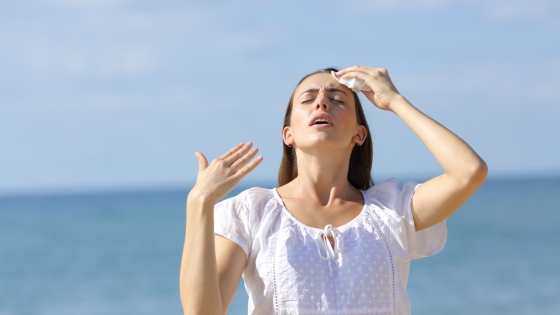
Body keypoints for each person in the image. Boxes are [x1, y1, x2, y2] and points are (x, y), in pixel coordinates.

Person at [179, 65, 488, 315]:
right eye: (308, 98)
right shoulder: (251, 213)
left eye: (338, 99)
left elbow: (468, 172)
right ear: (289, 134)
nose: (322, 102)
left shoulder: (391, 210)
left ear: (359, 134)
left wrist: (394, 101)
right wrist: (199, 203)